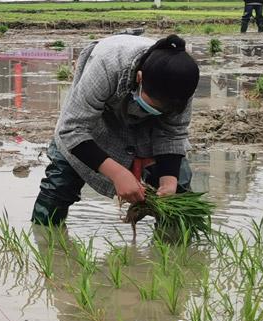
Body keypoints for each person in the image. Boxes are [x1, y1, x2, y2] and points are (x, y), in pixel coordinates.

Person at [31, 34, 200, 226]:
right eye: (152, 106)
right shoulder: (107, 65)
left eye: (164, 110)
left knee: (179, 193)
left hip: (149, 132)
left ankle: (174, 248)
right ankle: (43, 238)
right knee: (60, 184)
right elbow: (72, 129)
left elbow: (173, 132)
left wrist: (169, 182)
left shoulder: (183, 84)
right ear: (139, 78)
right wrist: (118, 173)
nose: (158, 111)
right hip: (96, 123)